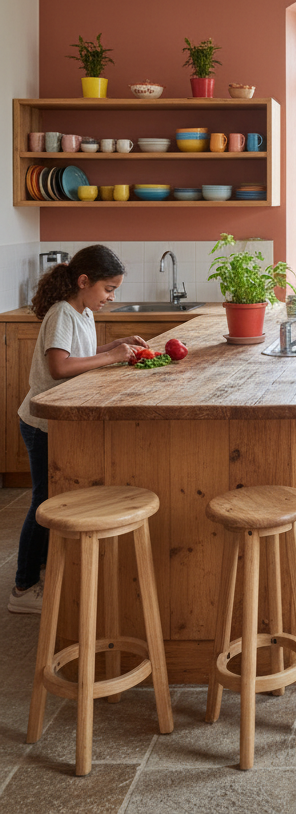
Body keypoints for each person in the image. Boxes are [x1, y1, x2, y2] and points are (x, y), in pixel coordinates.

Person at [9, 245, 146, 615]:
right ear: (84, 282)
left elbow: (79, 352)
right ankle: (22, 587)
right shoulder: (61, 314)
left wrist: (113, 345)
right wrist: (112, 358)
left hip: (60, 421)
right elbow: (59, 367)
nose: (112, 297)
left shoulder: (81, 311)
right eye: (108, 289)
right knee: (42, 501)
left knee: (50, 497)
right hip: (42, 422)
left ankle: (40, 569)